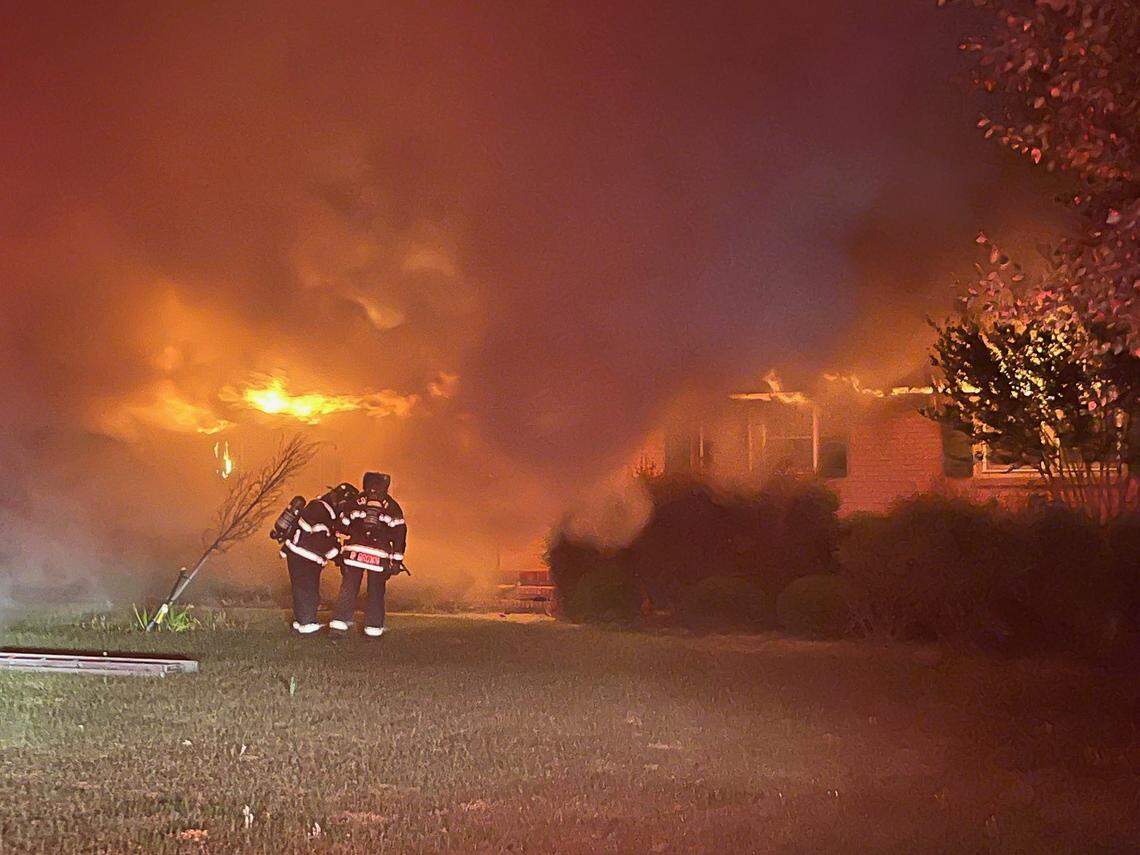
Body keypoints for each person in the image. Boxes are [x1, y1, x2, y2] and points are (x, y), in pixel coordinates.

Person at [329, 472, 407, 638]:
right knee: (376, 591)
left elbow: (343, 524)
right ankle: (373, 628)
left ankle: (338, 624)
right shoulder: (393, 506)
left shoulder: (356, 501)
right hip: (379, 556)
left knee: (349, 588)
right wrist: (396, 561)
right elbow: (399, 535)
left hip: (355, 552)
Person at [278, 483, 357, 635]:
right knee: (308, 591)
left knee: (302, 590)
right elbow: (319, 539)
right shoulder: (321, 511)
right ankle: (307, 624)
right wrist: (337, 554)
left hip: (298, 553)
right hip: (305, 556)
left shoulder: (320, 508)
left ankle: (301, 622)